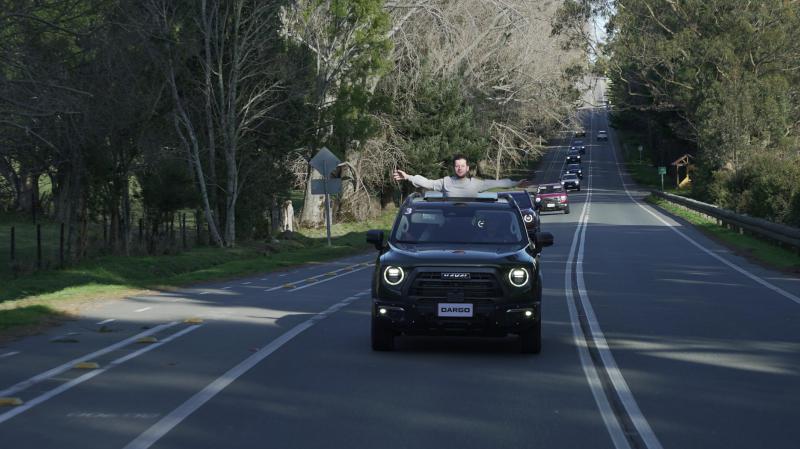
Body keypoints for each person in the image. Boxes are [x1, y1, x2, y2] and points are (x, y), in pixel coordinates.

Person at [393, 154, 531, 196]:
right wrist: (408, 177)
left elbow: (498, 183)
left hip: (471, 225)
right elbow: (428, 182)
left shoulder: (476, 183)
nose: (460, 168)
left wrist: (516, 183)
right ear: (454, 168)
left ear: (467, 168)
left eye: (462, 166)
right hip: (448, 223)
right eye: (457, 166)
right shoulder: (445, 182)